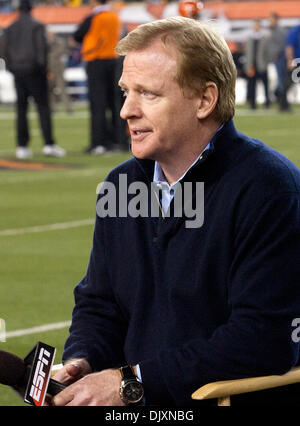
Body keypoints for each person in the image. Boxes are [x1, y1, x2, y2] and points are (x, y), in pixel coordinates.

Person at [52, 17, 300, 406]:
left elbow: (263, 339)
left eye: (147, 94)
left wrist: (131, 382)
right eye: (125, 92)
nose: (126, 112)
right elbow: (100, 304)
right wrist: (82, 360)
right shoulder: (121, 185)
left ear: (205, 100)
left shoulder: (269, 187)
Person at [2, 0, 65, 159]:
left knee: (21, 109)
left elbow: (3, 49)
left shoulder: (10, 28)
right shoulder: (37, 26)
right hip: (35, 72)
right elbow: (41, 49)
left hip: (18, 71)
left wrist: (11, 66)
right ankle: (48, 144)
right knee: (43, 108)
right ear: (31, 9)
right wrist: (43, 68)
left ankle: (22, 146)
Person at [73, 0, 128, 154]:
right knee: (115, 103)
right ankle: (119, 140)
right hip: (114, 60)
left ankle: (98, 142)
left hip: (96, 60)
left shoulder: (94, 17)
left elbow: (77, 36)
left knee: (98, 104)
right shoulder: (115, 16)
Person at [244, 19, 270, 109]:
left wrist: (266, 62)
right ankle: (252, 103)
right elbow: (247, 53)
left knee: (265, 85)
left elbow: (267, 52)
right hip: (252, 66)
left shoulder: (264, 38)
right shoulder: (250, 38)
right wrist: (248, 66)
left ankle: (267, 102)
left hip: (262, 65)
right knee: (252, 85)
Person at [47, 31, 73, 114]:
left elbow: (62, 51)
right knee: (50, 90)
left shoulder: (59, 42)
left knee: (62, 89)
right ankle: (52, 109)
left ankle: (68, 108)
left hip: (58, 70)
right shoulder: (46, 43)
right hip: (49, 70)